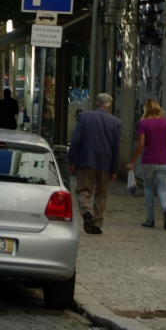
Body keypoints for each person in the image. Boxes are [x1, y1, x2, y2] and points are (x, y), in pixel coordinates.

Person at [67, 93, 121, 235]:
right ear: (109, 106)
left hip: (86, 159)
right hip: (105, 163)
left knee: (82, 190)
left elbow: (76, 139)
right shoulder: (116, 122)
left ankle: (86, 210)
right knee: (101, 193)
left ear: (97, 104)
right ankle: (97, 224)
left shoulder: (85, 117)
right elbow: (116, 148)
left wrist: (70, 160)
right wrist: (114, 169)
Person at [125, 99, 166, 230]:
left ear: (146, 109)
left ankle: (150, 219)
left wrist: (132, 162)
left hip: (148, 161)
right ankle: (165, 209)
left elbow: (141, 144)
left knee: (148, 188)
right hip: (164, 162)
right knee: (162, 189)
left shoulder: (144, 123)